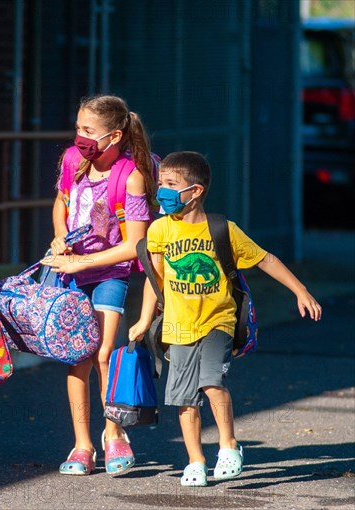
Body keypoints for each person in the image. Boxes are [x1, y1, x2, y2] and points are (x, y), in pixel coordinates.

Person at [129, 151, 322, 487]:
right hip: (177, 326)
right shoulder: (159, 230)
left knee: (211, 383)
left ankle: (229, 446)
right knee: (184, 398)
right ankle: (195, 461)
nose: (163, 192)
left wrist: (300, 290)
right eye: (161, 184)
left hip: (218, 321)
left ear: (196, 190)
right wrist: (145, 319)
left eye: (171, 185)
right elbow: (154, 279)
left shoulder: (222, 229)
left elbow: (265, 260)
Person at [40, 94, 156, 476]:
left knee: (104, 353)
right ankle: (82, 444)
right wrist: (61, 236)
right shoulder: (75, 161)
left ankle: (113, 433)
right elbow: (61, 202)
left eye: (89, 131)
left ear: (115, 135)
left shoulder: (132, 174)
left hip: (110, 272)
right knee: (77, 357)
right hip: (72, 273)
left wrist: (83, 260)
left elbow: (132, 244)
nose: (80, 138)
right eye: (78, 129)